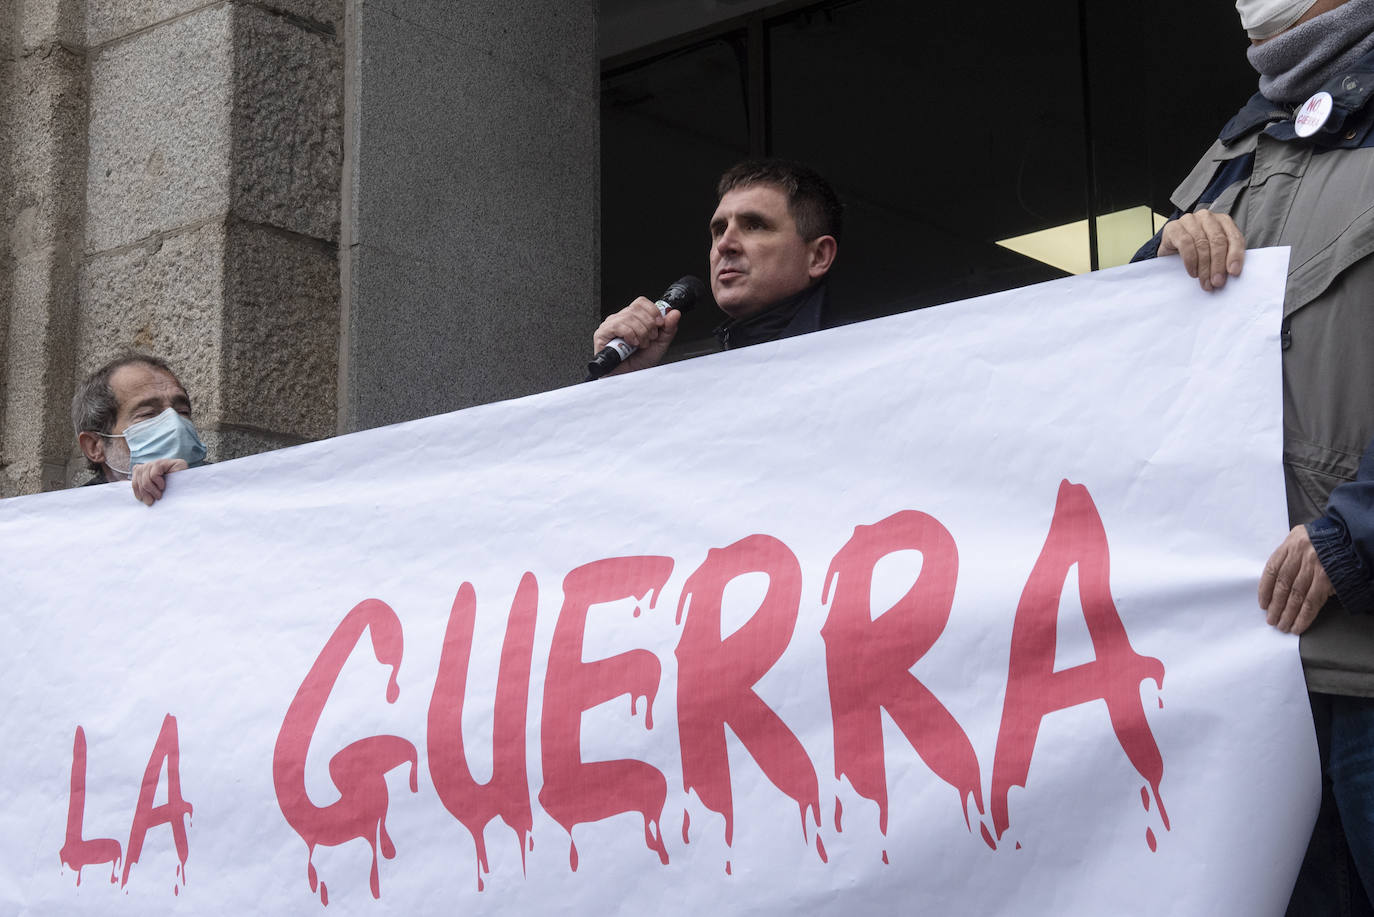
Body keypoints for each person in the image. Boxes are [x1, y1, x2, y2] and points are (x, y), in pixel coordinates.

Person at [1136, 1, 1374, 912]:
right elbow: (1108, 377)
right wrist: (1155, 263)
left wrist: (1357, 531)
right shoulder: (1237, 152)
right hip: (1255, 671)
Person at [591, 159, 841, 375]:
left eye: (754, 225)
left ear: (818, 256)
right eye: (719, 230)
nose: (725, 244)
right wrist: (623, 384)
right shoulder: (688, 375)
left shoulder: (860, 359)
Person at [71, 354, 207, 507]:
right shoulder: (73, 519)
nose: (175, 423)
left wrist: (190, 485)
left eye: (182, 411)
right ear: (95, 446)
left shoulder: (225, 489)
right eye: (147, 414)